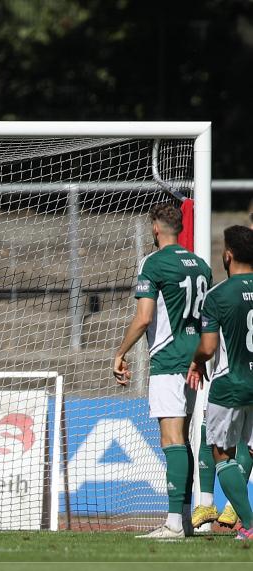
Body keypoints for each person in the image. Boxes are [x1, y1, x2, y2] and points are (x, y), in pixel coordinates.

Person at [112, 202, 212, 538]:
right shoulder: (200, 264)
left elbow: (144, 317)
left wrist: (121, 352)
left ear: (155, 228)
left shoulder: (152, 263)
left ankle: (173, 523)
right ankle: (184, 518)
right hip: (198, 359)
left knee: (172, 439)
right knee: (185, 440)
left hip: (168, 360)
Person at [187, 225, 253, 540]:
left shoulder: (218, 295)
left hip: (230, 384)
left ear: (227, 255)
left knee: (222, 454)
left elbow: (209, 347)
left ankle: (250, 525)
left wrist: (197, 360)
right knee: (250, 451)